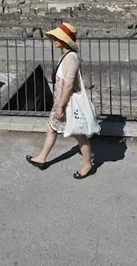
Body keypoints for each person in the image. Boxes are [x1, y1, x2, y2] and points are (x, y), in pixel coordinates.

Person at [26, 22, 95, 179]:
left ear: (64, 40)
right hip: (61, 102)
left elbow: (69, 84)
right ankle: (42, 158)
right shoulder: (66, 56)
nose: (54, 40)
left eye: (57, 37)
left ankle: (87, 165)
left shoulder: (70, 58)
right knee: (52, 128)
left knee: (79, 135)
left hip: (67, 104)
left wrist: (61, 107)